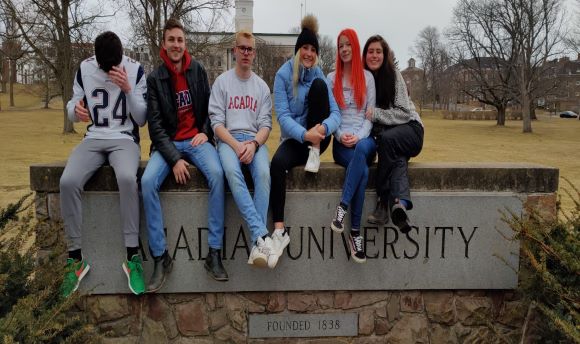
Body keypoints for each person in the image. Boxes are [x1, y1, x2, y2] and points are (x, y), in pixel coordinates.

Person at [60, 31, 147, 297]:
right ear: (96, 60)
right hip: (94, 136)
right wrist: (76, 111)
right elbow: (72, 106)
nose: (109, 70)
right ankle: (75, 258)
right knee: (68, 181)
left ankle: (132, 256)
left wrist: (127, 89)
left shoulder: (134, 69)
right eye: (104, 66)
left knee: (126, 178)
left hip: (124, 138)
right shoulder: (85, 68)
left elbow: (142, 118)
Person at [141, 18, 226, 290]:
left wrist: (204, 131)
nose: (176, 45)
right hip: (169, 145)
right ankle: (160, 256)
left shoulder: (198, 70)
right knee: (146, 182)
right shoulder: (154, 79)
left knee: (216, 173)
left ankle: (213, 252)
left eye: (180, 40)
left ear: (184, 43)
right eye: (171, 40)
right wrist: (175, 159)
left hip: (197, 140)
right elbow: (155, 126)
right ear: (163, 44)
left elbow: (212, 109)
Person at [270, 14, 341, 265]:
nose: (309, 53)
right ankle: (279, 231)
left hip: (318, 140)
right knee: (277, 165)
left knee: (320, 88)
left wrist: (321, 129)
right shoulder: (282, 75)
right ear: (298, 50)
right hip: (296, 138)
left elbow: (336, 114)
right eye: (305, 48)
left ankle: (314, 152)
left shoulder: (320, 74)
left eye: (313, 49)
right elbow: (283, 117)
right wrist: (304, 134)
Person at [208, 30, 275, 268]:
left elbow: (266, 125)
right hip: (229, 140)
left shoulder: (262, 87)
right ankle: (261, 234)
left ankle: (258, 247)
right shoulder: (222, 82)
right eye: (242, 48)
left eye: (250, 49)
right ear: (234, 50)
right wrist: (237, 145)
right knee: (232, 174)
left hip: (254, 140)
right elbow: (216, 124)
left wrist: (254, 144)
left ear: (254, 54)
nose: (246, 53)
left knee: (264, 175)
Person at [363, 35, 424, 233]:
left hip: (412, 130)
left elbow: (404, 113)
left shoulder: (393, 75)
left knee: (387, 141)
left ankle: (382, 201)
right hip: (393, 140)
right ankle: (400, 205)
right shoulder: (364, 79)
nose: (374, 55)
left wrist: (376, 114)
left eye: (378, 51)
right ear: (364, 55)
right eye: (370, 51)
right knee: (397, 159)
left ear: (385, 54)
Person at [327, 29, 376, 263]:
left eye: (348, 45)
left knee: (362, 151)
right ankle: (355, 233)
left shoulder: (367, 78)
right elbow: (331, 115)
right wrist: (339, 135)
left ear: (355, 47)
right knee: (363, 171)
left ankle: (342, 207)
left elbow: (369, 116)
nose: (344, 49)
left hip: (364, 140)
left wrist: (358, 136)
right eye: (340, 45)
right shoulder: (331, 78)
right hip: (341, 143)